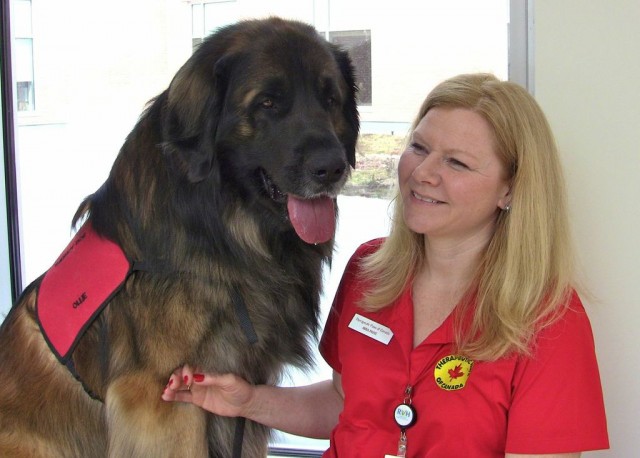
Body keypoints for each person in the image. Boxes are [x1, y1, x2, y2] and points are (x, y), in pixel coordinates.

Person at [162, 73, 609, 457]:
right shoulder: (368, 270)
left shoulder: (549, 320)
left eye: (456, 162)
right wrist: (248, 402)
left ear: (510, 190)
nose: (422, 172)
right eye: (419, 147)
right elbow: (346, 404)